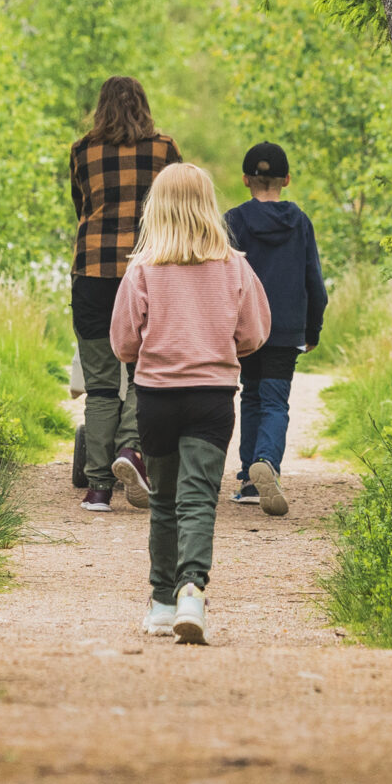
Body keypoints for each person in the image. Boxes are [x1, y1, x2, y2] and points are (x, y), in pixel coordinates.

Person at [110, 164, 271, 643]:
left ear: (155, 209)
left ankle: (161, 604)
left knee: (163, 500)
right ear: (208, 206)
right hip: (211, 397)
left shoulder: (142, 269)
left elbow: (123, 343)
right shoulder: (235, 266)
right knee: (198, 498)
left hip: (156, 398)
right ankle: (191, 592)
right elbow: (254, 334)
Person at [68, 76, 181, 512]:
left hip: (93, 272)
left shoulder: (83, 150)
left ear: (100, 108)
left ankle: (98, 488)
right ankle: (131, 450)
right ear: (143, 105)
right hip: (149, 271)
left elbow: (81, 206)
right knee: (142, 373)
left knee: (99, 386)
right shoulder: (165, 150)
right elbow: (176, 209)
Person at [221, 141, 327, 517]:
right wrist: (312, 329)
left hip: (245, 327)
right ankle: (266, 462)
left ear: (245, 179)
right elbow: (314, 281)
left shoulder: (232, 221)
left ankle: (250, 480)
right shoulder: (300, 222)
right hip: (285, 327)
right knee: (275, 401)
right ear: (287, 179)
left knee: (250, 395)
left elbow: (221, 277)